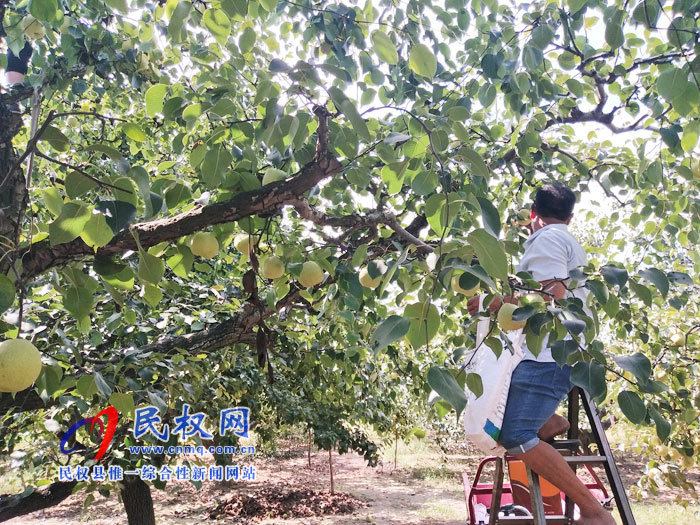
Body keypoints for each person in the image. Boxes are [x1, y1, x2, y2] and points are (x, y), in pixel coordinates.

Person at [467, 183, 615, 525]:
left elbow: (549, 293)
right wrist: (500, 300)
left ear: (533, 213)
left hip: (548, 355)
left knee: (515, 435)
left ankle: (593, 511)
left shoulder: (547, 239)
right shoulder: (567, 241)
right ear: (571, 216)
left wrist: (494, 304)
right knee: (500, 414)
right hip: (558, 351)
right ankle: (550, 423)